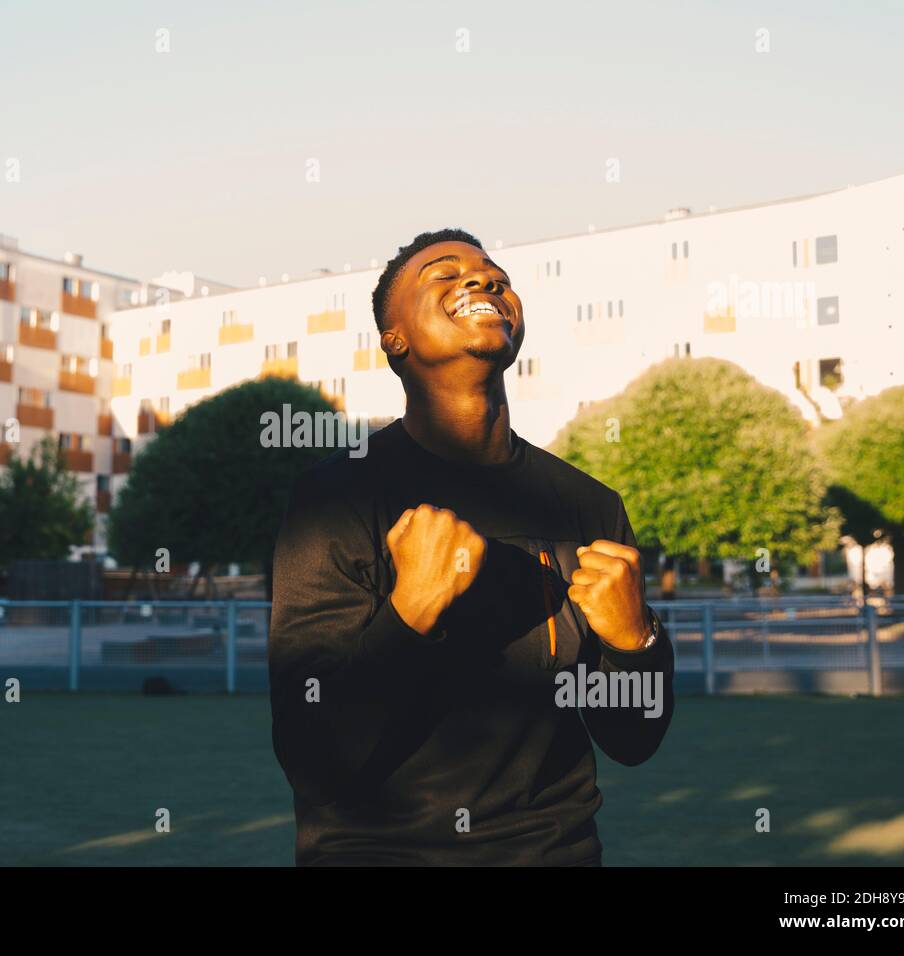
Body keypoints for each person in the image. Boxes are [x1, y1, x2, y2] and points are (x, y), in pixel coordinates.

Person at [267, 229, 675, 865]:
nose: (484, 282)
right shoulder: (335, 497)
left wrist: (637, 643)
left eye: (495, 275)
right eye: (443, 273)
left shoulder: (589, 505)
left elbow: (633, 738)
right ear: (394, 339)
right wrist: (409, 613)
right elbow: (313, 755)